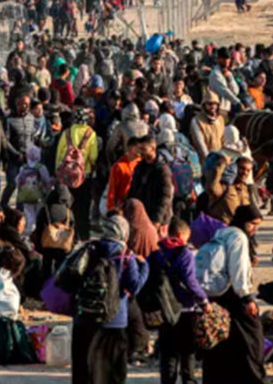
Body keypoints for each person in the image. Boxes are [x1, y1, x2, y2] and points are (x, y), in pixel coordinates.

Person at [70, 212, 149, 384]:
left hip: (84, 319)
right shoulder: (126, 256)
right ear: (124, 233)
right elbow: (134, 287)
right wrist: (144, 266)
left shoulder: (88, 249)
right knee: (111, 374)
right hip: (114, 321)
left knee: (85, 373)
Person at [200, 204, 265, 384]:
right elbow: (238, 269)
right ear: (243, 221)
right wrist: (246, 297)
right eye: (252, 223)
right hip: (234, 296)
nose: (255, 228)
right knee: (252, 340)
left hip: (218, 295)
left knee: (222, 339)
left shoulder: (221, 232)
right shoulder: (239, 237)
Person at [149, 218, 207, 384]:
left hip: (164, 308)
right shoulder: (185, 253)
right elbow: (190, 281)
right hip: (185, 308)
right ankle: (188, 380)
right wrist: (203, 300)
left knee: (168, 353)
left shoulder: (157, 252)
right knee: (187, 351)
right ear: (182, 234)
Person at [128, 135, 174, 235]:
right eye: (139, 149)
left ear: (153, 149)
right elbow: (133, 190)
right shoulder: (140, 167)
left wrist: (157, 220)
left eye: (143, 149)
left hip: (158, 220)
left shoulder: (163, 170)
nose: (140, 152)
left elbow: (165, 197)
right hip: (141, 217)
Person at [106, 136, 144, 212]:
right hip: (123, 206)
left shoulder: (141, 163)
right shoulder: (119, 166)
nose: (141, 151)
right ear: (131, 148)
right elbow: (112, 191)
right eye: (138, 148)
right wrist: (111, 210)